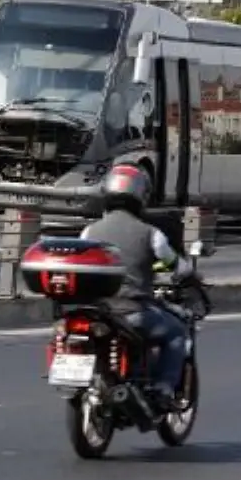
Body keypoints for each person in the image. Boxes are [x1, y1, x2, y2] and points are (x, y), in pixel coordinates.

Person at [79, 164, 189, 406]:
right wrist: (188, 272)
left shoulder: (89, 231)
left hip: (96, 311)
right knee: (177, 333)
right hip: (132, 311)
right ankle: (163, 390)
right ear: (141, 195)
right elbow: (177, 266)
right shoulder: (151, 233)